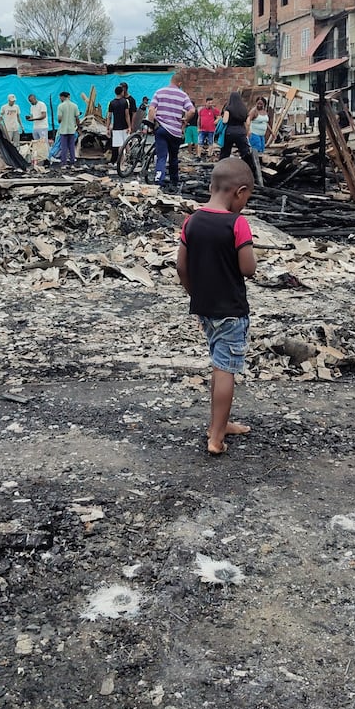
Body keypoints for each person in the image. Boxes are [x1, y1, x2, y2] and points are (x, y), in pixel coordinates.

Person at [175, 157, 257, 457]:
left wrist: (194, 295)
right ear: (240, 192)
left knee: (218, 364)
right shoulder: (237, 224)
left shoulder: (192, 221)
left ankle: (218, 423)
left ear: (211, 186)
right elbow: (248, 269)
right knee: (226, 370)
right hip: (231, 311)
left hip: (205, 309)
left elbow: (181, 266)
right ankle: (216, 437)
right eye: (246, 197)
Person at [150, 73, 195, 190]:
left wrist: (151, 124)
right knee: (174, 157)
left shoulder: (159, 92)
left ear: (171, 81)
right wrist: (185, 121)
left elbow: (151, 109)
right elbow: (192, 111)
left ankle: (158, 180)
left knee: (161, 157)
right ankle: (174, 181)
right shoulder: (183, 95)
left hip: (161, 128)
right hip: (175, 131)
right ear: (179, 83)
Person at [219, 91, 255, 173]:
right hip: (241, 132)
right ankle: (249, 169)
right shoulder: (244, 109)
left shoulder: (228, 108)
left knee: (225, 152)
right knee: (244, 152)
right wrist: (247, 131)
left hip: (229, 132)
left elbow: (225, 121)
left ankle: (221, 169)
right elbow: (247, 122)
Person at [56, 91, 79, 167]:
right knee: (71, 146)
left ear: (63, 97)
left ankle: (64, 163)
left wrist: (60, 121)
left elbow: (59, 118)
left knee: (64, 147)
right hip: (72, 129)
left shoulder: (61, 106)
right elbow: (77, 117)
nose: (60, 99)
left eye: (60, 98)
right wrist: (78, 125)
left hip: (63, 130)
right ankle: (72, 162)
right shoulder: (74, 105)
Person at [108, 86, 130, 163]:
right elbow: (127, 115)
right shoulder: (125, 102)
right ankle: (127, 160)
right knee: (126, 143)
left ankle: (122, 161)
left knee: (120, 145)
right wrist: (129, 126)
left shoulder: (111, 103)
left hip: (116, 127)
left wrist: (107, 127)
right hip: (124, 126)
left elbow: (109, 116)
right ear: (122, 92)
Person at [26, 94, 48, 163]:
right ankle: (39, 158)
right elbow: (32, 116)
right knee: (36, 143)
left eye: (32, 101)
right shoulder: (32, 107)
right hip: (35, 127)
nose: (31, 102)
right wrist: (29, 118)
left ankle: (46, 157)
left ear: (35, 98)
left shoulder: (42, 104)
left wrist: (34, 119)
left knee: (43, 143)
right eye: (30, 101)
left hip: (42, 126)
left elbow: (43, 115)